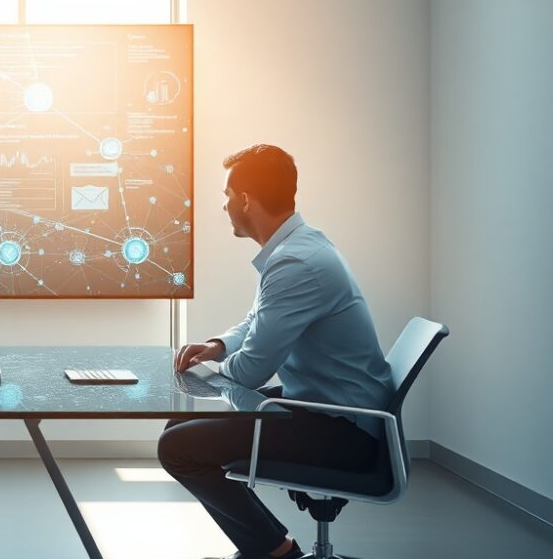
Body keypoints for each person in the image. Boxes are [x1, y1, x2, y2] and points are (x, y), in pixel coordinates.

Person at [159, 144, 393, 559]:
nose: (225, 206)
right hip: (324, 406)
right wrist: (217, 347)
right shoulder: (298, 248)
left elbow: (251, 371)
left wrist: (215, 375)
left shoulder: (296, 263)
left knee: (176, 448)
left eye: (228, 195)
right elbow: (257, 321)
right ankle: (272, 547)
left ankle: (274, 552)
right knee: (179, 422)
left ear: (246, 199)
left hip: (342, 430)